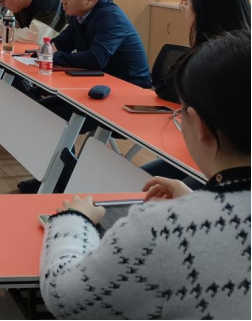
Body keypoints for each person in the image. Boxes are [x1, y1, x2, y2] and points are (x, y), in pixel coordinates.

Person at [39, 30, 251, 319]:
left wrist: (75, 219)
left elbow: (65, 297)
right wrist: (195, 201)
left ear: (200, 126)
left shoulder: (161, 229)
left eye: (180, 115)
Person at [154, 0, 250, 102]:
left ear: (202, 14)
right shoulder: (242, 51)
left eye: (187, 4)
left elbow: (166, 89)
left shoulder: (211, 59)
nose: (185, 9)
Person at [52, 0, 152, 88]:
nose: (62, 0)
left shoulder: (110, 18)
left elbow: (95, 59)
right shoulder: (80, 15)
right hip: (101, 83)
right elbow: (61, 43)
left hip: (131, 88)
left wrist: (54, 56)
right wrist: (47, 50)